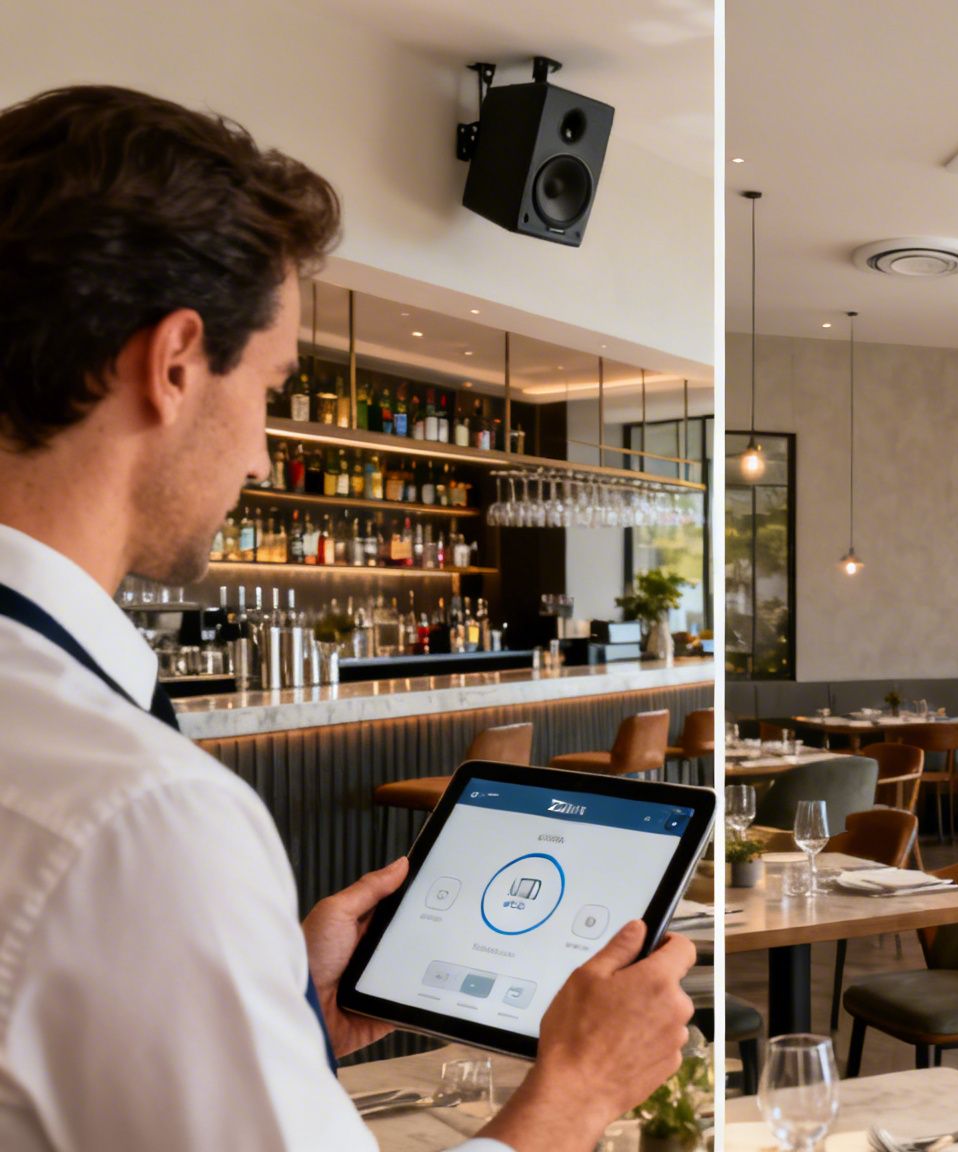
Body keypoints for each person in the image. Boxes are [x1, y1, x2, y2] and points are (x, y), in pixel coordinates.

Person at [0, 86, 697, 1150]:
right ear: (175, 363)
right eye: (273, 387)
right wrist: (579, 1090)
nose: (262, 455)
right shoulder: (139, 819)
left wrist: (274, 1011)